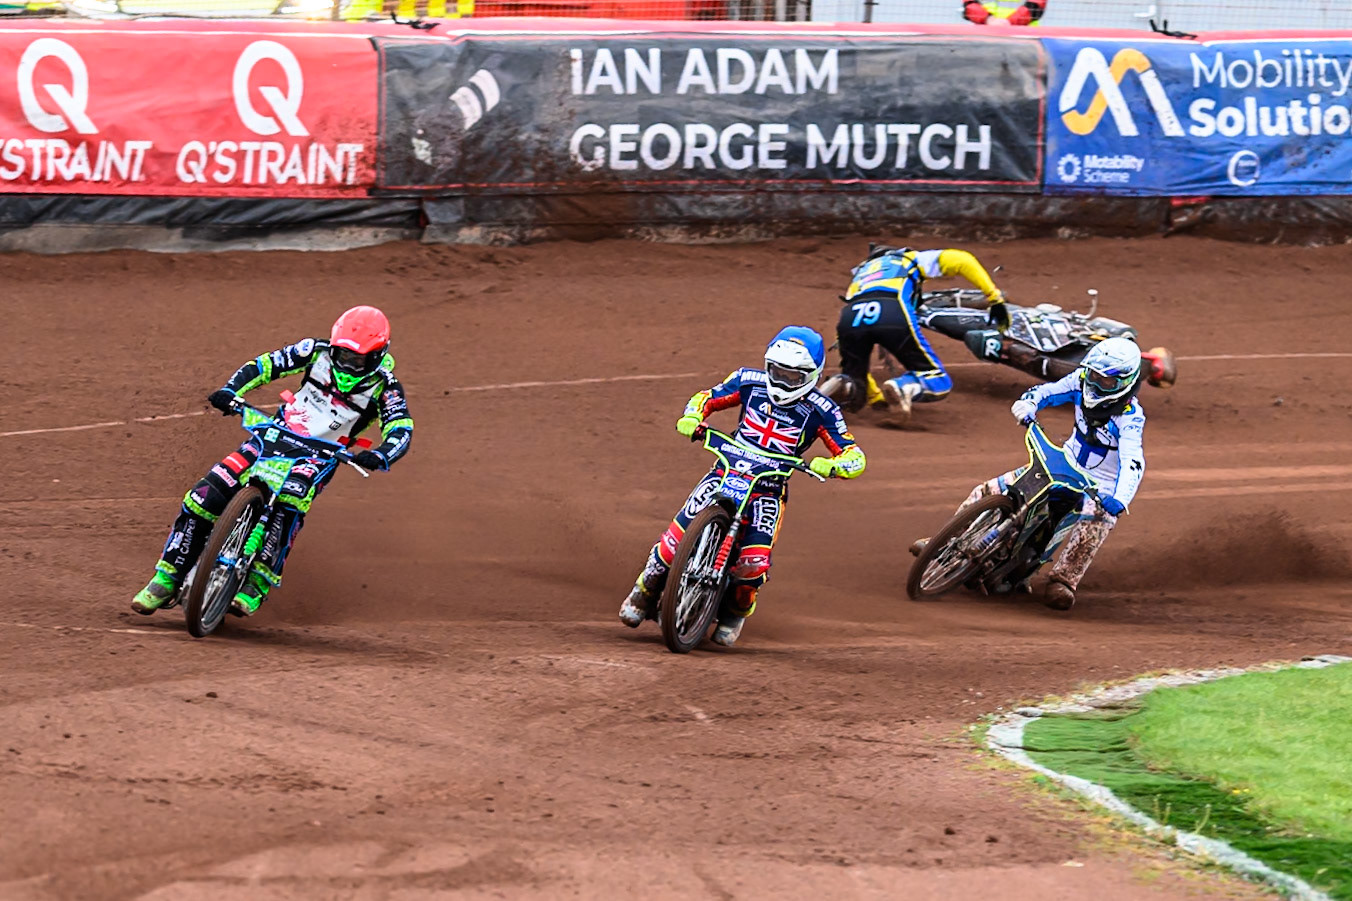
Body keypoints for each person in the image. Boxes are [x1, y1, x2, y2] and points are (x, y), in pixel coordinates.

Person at [130, 306, 414, 617]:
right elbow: (265, 365)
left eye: (357, 359)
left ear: (376, 355)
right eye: (342, 354)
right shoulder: (313, 351)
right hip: (273, 434)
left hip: (321, 453)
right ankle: (166, 577)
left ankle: (257, 582)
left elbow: (401, 427)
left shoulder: (387, 388)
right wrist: (231, 391)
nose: (347, 363)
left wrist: (381, 454)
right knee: (203, 495)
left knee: (290, 500)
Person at [618, 326, 866, 646]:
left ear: (812, 375)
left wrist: (834, 466)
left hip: (769, 489)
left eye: (792, 376)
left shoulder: (823, 410)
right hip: (726, 472)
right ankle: (643, 591)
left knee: (753, 564)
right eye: (776, 370)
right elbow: (707, 397)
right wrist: (693, 416)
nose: (781, 380)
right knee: (672, 541)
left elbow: (854, 455)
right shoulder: (749, 381)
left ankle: (736, 612)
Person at [915, 337, 1145, 610]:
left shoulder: (1131, 417)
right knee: (990, 490)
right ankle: (946, 542)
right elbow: (1048, 391)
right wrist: (1028, 403)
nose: (1095, 384)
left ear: (1124, 381)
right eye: (1093, 375)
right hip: (1063, 460)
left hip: (1100, 483)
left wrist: (1120, 498)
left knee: (1098, 519)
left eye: (1105, 381)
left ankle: (1064, 580)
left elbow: (1133, 459)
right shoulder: (1080, 380)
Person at [819, 245, 1010, 425]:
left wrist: (876, 398)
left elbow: (847, 337)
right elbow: (962, 260)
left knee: (855, 383)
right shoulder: (907, 258)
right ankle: (905, 386)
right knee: (938, 379)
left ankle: (841, 386)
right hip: (891, 309)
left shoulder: (861, 276)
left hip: (850, 317)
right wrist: (995, 298)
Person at [963, 0, 1045, 26]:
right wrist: (988, 19)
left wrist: (1009, 23)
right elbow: (969, 4)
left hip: (1023, 37)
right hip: (985, 35)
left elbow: (1035, 6)